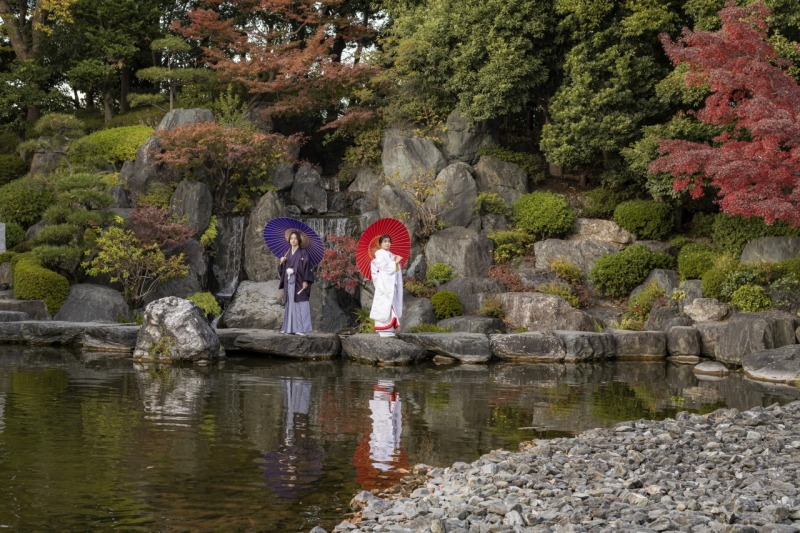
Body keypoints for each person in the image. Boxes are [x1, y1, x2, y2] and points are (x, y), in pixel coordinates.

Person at [279, 230, 313, 335]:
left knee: (301, 304)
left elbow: (307, 267)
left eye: (295, 238)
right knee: (290, 304)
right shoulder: (286, 253)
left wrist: (305, 280)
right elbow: (281, 270)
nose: (293, 240)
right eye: (291, 238)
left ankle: (301, 329)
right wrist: (281, 262)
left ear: (299, 240)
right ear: (289, 240)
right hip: (289, 282)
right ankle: (289, 328)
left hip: (299, 282)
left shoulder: (303, 253)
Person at [369, 234, 403, 337]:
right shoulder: (379, 253)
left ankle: (390, 328)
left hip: (390, 283)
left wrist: (397, 263)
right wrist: (395, 262)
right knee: (384, 304)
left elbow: (394, 269)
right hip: (384, 284)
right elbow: (383, 267)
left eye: (389, 241)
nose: (387, 243)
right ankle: (383, 328)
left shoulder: (390, 254)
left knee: (390, 304)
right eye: (385, 241)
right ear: (380, 244)